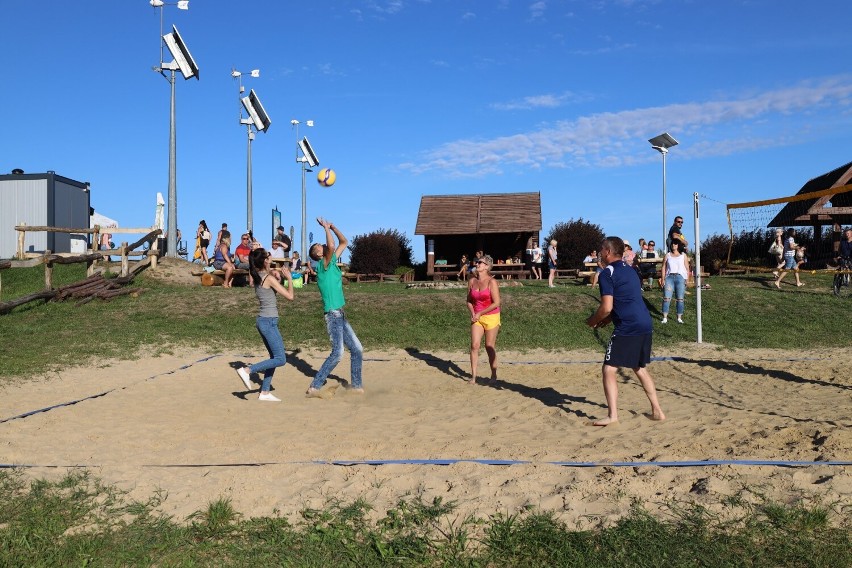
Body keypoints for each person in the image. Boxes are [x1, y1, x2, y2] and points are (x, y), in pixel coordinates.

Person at [585, 236, 665, 427]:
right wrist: (609, 319)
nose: (600, 252)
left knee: (609, 369)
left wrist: (593, 321)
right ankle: (657, 411)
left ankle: (612, 416)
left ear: (607, 251)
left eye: (601, 249)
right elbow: (626, 300)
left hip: (628, 326)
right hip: (644, 322)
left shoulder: (607, 273)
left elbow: (606, 307)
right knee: (639, 368)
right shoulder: (631, 270)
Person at [306, 218, 364, 396]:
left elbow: (344, 242)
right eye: (317, 246)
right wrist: (325, 228)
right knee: (338, 353)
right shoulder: (323, 265)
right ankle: (315, 385)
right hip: (332, 315)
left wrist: (332, 227)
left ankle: (356, 386)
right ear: (317, 255)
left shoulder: (330, 263)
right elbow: (331, 246)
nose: (321, 245)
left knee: (357, 349)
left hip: (340, 314)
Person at [234, 247, 295, 402]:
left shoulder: (258, 275)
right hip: (268, 322)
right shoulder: (267, 277)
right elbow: (290, 296)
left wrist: (278, 277)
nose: (271, 256)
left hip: (264, 321)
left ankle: (265, 392)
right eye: (268, 256)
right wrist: (289, 278)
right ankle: (247, 370)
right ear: (265, 261)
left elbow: (270, 289)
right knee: (281, 359)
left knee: (274, 357)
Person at [466, 254, 501, 384]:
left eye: (480, 262)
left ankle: (493, 374)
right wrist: (473, 312)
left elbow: (497, 302)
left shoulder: (492, 282)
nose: (477, 264)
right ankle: (474, 376)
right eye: (477, 262)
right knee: (474, 345)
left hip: (491, 316)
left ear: (487, 267)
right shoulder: (472, 281)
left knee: (489, 346)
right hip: (477, 317)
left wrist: (481, 312)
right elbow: (469, 301)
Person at [660, 238, 692, 324]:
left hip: (680, 278)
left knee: (680, 298)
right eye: (672, 244)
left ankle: (679, 317)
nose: (673, 245)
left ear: (678, 245)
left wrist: (687, 279)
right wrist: (663, 279)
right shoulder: (668, 255)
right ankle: (665, 317)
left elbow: (687, 268)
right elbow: (663, 267)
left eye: (675, 244)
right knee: (666, 298)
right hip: (669, 277)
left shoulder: (683, 255)